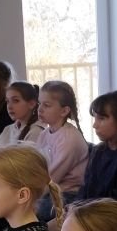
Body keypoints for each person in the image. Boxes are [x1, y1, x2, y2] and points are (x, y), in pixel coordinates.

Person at [35, 80, 89, 220]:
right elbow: (36, 166)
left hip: (69, 194)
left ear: (64, 111)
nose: (40, 109)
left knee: (30, 209)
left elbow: (52, 178)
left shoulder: (70, 139)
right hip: (49, 190)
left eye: (47, 105)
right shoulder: (44, 134)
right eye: (39, 103)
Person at [0, 82, 46, 150]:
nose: (9, 107)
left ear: (31, 104)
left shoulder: (36, 132)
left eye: (15, 101)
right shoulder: (7, 129)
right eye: (7, 101)